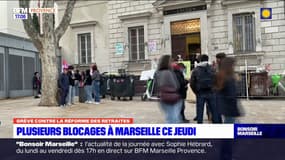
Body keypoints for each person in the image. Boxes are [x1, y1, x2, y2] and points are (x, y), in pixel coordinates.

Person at [190, 54, 220, 124]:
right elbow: (217, 80)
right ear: (207, 59)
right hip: (211, 92)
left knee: (200, 112)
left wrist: (196, 91)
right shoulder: (212, 68)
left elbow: (192, 83)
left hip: (200, 93)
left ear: (200, 60)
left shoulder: (196, 70)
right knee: (214, 111)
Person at [156, 55, 183, 124]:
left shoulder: (158, 72)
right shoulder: (168, 72)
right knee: (174, 119)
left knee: (169, 118)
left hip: (163, 98)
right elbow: (176, 85)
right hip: (172, 98)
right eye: (171, 61)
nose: (172, 63)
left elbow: (157, 85)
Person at [215, 57, 242, 123]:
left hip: (224, 108)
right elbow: (232, 94)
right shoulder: (229, 78)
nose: (234, 67)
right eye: (233, 65)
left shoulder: (221, 75)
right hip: (230, 109)